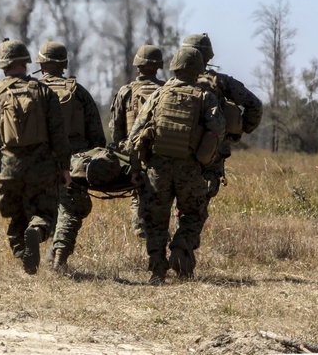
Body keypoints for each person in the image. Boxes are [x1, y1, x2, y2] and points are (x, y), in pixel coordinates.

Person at [0, 39, 71, 275]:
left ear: (2, 65)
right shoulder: (44, 92)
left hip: (8, 168)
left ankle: (23, 253)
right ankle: (36, 231)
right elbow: (59, 134)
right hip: (43, 168)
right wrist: (65, 167)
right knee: (45, 214)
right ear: (26, 62)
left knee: (15, 216)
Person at [126, 46, 225, 284]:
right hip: (189, 169)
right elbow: (218, 129)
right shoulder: (204, 97)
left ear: (175, 67)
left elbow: (135, 134)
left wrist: (136, 170)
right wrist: (205, 158)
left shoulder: (160, 94)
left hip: (157, 170)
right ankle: (180, 249)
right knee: (193, 213)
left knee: (155, 221)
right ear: (198, 70)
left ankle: (158, 270)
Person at [35, 41, 105, 274]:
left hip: (36, 159)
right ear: (64, 63)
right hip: (74, 161)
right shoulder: (78, 92)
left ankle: (37, 238)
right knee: (71, 209)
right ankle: (59, 258)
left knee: (41, 207)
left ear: (41, 63)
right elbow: (97, 137)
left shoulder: (29, 89)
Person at [181, 33, 263, 198]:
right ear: (208, 56)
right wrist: (237, 132)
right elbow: (254, 105)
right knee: (199, 202)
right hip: (212, 151)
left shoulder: (173, 84)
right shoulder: (221, 82)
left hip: (180, 148)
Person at [109, 44, 166, 238]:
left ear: (137, 65)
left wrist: (123, 150)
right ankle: (156, 235)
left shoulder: (125, 91)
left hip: (133, 153)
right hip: (161, 154)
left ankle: (141, 228)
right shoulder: (166, 90)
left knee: (137, 194)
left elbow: (116, 130)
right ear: (158, 65)